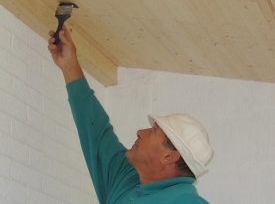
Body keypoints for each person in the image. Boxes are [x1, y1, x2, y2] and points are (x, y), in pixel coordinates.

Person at [48, 27, 213, 204]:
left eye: (154, 131)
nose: (141, 132)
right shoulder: (125, 178)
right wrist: (69, 65)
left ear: (169, 156)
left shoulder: (186, 201)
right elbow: (95, 131)